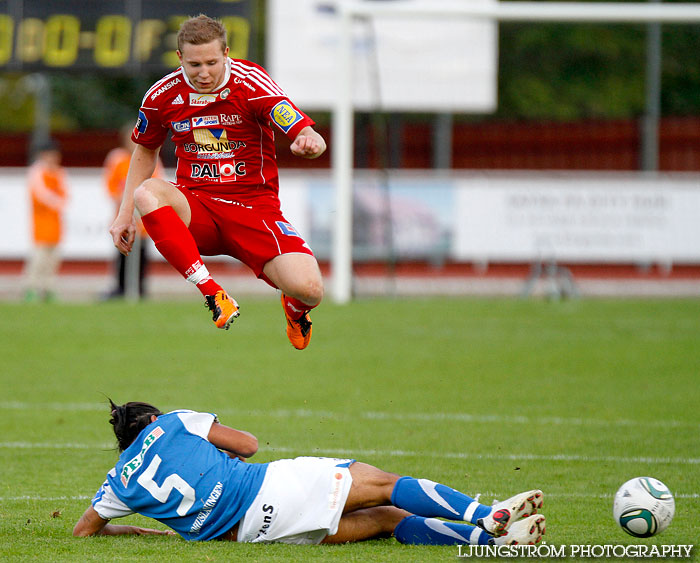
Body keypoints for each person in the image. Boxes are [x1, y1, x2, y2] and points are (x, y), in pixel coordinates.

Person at [109, 14, 326, 349]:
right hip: (198, 209)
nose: (204, 72)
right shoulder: (161, 96)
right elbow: (144, 152)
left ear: (227, 52)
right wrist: (124, 215)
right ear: (180, 58)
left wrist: (307, 138)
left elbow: (292, 120)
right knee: (147, 192)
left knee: (311, 289)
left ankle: (295, 310)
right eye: (194, 64)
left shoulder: (250, 81)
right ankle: (213, 294)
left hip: (255, 210)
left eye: (212, 62)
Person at [74, 400, 546, 546]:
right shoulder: (174, 422)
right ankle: (488, 515)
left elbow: (84, 532)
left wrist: (137, 528)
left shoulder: (117, 482)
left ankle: (491, 546)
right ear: (152, 420)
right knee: (384, 485)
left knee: (385, 520)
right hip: (265, 487)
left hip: (253, 536)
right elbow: (248, 445)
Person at [103, 124, 164, 299]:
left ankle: (140, 287)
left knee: (142, 252)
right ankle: (121, 286)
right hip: (124, 214)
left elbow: (156, 181)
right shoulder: (117, 159)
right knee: (122, 250)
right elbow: (110, 185)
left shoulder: (152, 157)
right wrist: (123, 200)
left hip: (143, 216)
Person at [23, 138, 69, 302]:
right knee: (39, 258)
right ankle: (32, 289)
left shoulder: (59, 173)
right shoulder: (37, 172)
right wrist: (57, 202)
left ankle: (48, 289)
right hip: (41, 222)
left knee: (53, 259)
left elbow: (66, 195)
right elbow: (41, 194)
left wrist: (58, 203)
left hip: (56, 223)